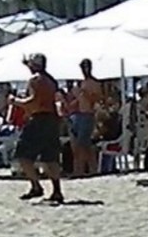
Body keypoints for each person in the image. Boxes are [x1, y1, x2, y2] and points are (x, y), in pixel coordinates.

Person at [12, 52, 64, 204]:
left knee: (22, 155)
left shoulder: (35, 80)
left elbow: (33, 102)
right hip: (52, 120)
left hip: (39, 119)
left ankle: (36, 185)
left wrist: (16, 101)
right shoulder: (51, 80)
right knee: (51, 157)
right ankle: (57, 190)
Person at [69, 58, 102, 177]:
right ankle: (79, 169)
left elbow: (96, 99)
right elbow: (78, 100)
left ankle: (89, 169)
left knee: (83, 144)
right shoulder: (80, 82)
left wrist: (84, 93)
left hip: (88, 115)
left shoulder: (94, 83)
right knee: (77, 145)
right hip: (78, 114)